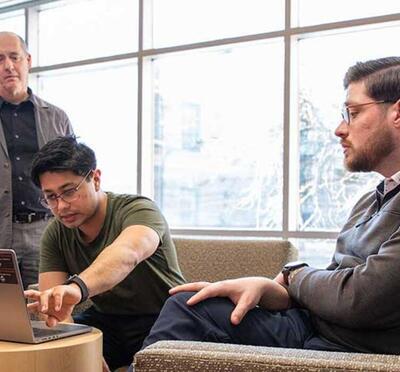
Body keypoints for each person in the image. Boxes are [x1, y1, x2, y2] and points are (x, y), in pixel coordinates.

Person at [138, 56, 400, 358]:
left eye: (352, 113)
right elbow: (334, 283)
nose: (340, 129)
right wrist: (269, 288)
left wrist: (295, 275)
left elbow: (358, 298)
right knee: (192, 304)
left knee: (189, 313)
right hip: (311, 327)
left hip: (340, 350)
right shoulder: (371, 199)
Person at [25, 135, 185, 371]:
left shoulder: (139, 209)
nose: (61, 206)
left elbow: (127, 253)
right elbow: (56, 308)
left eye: (69, 191)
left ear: (96, 179)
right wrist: (77, 347)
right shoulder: (56, 232)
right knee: (50, 354)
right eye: (51, 197)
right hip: (107, 320)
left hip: (163, 315)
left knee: (147, 364)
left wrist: (76, 288)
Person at [0, 31, 73, 289]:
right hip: (1, 229)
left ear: (27, 61)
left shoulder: (56, 117)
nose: (8, 66)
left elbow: (74, 175)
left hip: (45, 231)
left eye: (14, 57)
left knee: (44, 315)